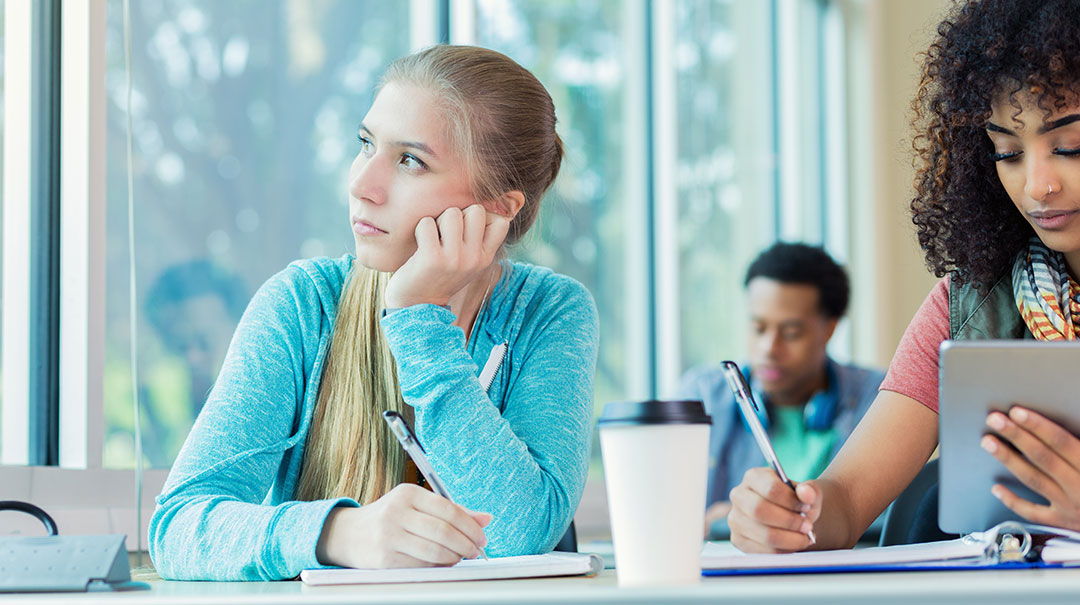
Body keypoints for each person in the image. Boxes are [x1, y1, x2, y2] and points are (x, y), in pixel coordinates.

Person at [149, 45, 599, 580]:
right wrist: (341, 533)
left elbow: (519, 532)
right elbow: (176, 529)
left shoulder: (550, 313)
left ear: (499, 206)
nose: (362, 185)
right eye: (366, 144)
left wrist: (417, 320)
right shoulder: (301, 305)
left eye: (411, 160)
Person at [727, 0, 1080, 553]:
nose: (1037, 184)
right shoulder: (966, 303)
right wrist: (790, 516)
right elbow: (843, 503)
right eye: (1008, 152)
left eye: (1068, 147)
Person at [678, 242, 884, 539]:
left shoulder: (879, 399)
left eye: (790, 333)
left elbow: (893, 520)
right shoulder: (702, 396)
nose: (769, 349)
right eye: (758, 328)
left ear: (829, 329)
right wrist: (712, 523)